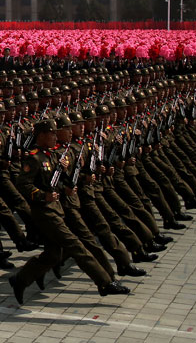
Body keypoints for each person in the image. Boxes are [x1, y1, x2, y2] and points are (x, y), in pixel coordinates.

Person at [9, 119, 129, 303]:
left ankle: (20, 279)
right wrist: (42, 196)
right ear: (41, 136)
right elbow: (23, 185)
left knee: (53, 255)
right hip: (44, 212)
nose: (55, 136)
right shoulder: (34, 158)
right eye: (52, 133)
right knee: (76, 245)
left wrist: (66, 187)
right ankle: (105, 283)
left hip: (56, 210)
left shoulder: (52, 156)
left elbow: (58, 181)